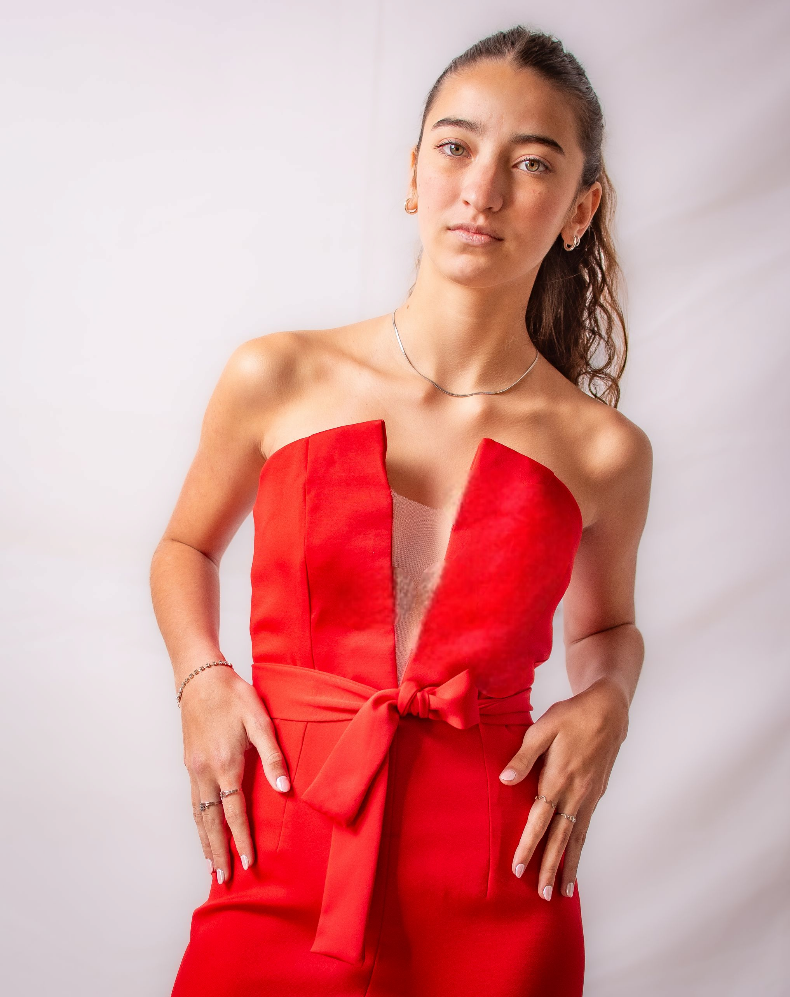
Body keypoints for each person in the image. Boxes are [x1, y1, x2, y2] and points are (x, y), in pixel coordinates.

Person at [151, 25, 652, 997]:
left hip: (499, 875)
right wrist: (200, 676)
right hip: (287, 837)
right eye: (456, 146)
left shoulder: (602, 449)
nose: (484, 189)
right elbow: (183, 545)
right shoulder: (280, 374)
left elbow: (611, 630)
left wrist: (608, 701)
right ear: (414, 175)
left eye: (532, 161)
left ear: (579, 207)